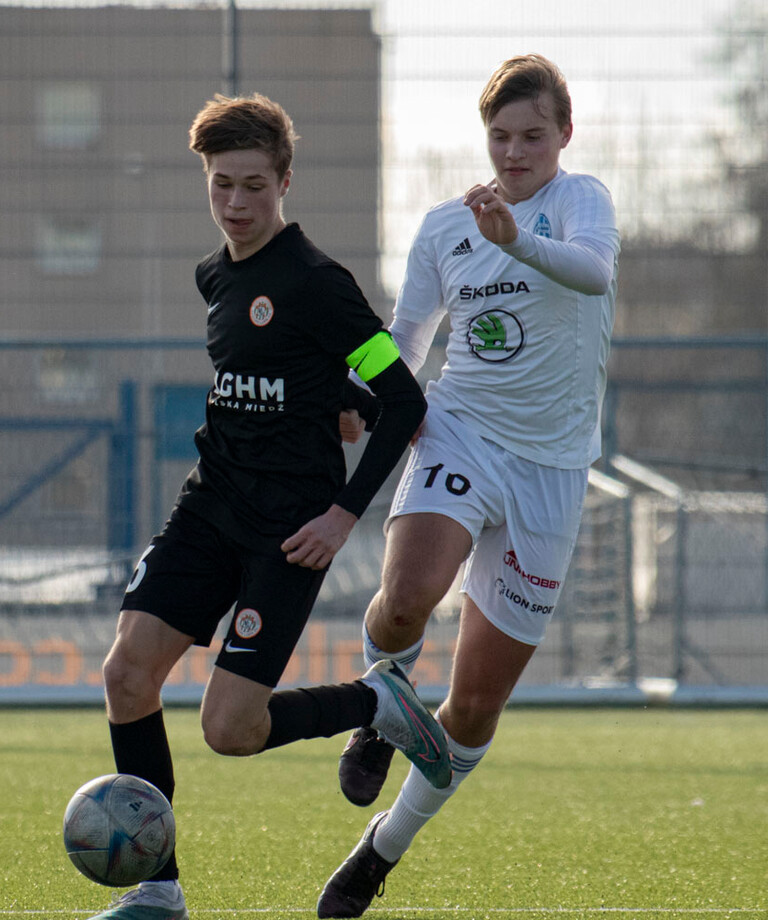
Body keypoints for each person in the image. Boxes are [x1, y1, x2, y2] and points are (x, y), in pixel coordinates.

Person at [89, 92, 452, 920]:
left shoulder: (322, 284)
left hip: (288, 533)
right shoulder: (213, 274)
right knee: (125, 674)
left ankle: (376, 703)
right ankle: (159, 889)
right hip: (208, 506)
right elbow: (299, 374)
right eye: (222, 185)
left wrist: (342, 515)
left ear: (285, 181)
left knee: (232, 729)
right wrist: (332, 396)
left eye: (254, 185)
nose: (237, 204)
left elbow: (401, 400)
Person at [317, 53, 620, 918]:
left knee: (477, 706)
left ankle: (380, 851)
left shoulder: (582, 201)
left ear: (565, 134)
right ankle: (380, 698)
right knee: (406, 597)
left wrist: (517, 240)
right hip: (462, 432)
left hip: (552, 473)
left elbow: (592, 272)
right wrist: (366, 392)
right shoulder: (445, 226)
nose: (515, 152)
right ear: (483, 138)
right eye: (500, 137)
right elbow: (407, 336)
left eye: (532, 136)